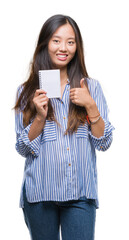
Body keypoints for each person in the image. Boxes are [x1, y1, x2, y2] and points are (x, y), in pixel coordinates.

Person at [14, 14, 114, 240]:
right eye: (56, 40)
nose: (64, 47)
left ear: (77, 47)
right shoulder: (26, 92)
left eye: (71, 42)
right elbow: (22, 149)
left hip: (80, 194)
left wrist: (90, 106)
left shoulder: (91, 87)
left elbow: (104, 142)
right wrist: (39, 118)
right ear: (45, 44)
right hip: (40, 193)